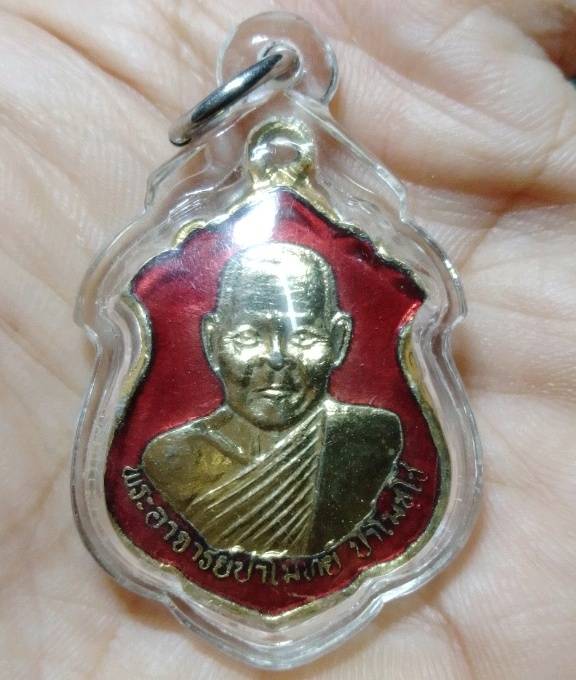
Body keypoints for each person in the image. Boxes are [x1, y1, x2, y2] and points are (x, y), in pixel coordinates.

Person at [143, 243, 402, 555]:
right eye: (248, 337)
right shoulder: (173, 460)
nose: (277, 358)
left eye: (303, 336)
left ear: (338, 340)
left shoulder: (369, 441)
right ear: (212, 341)